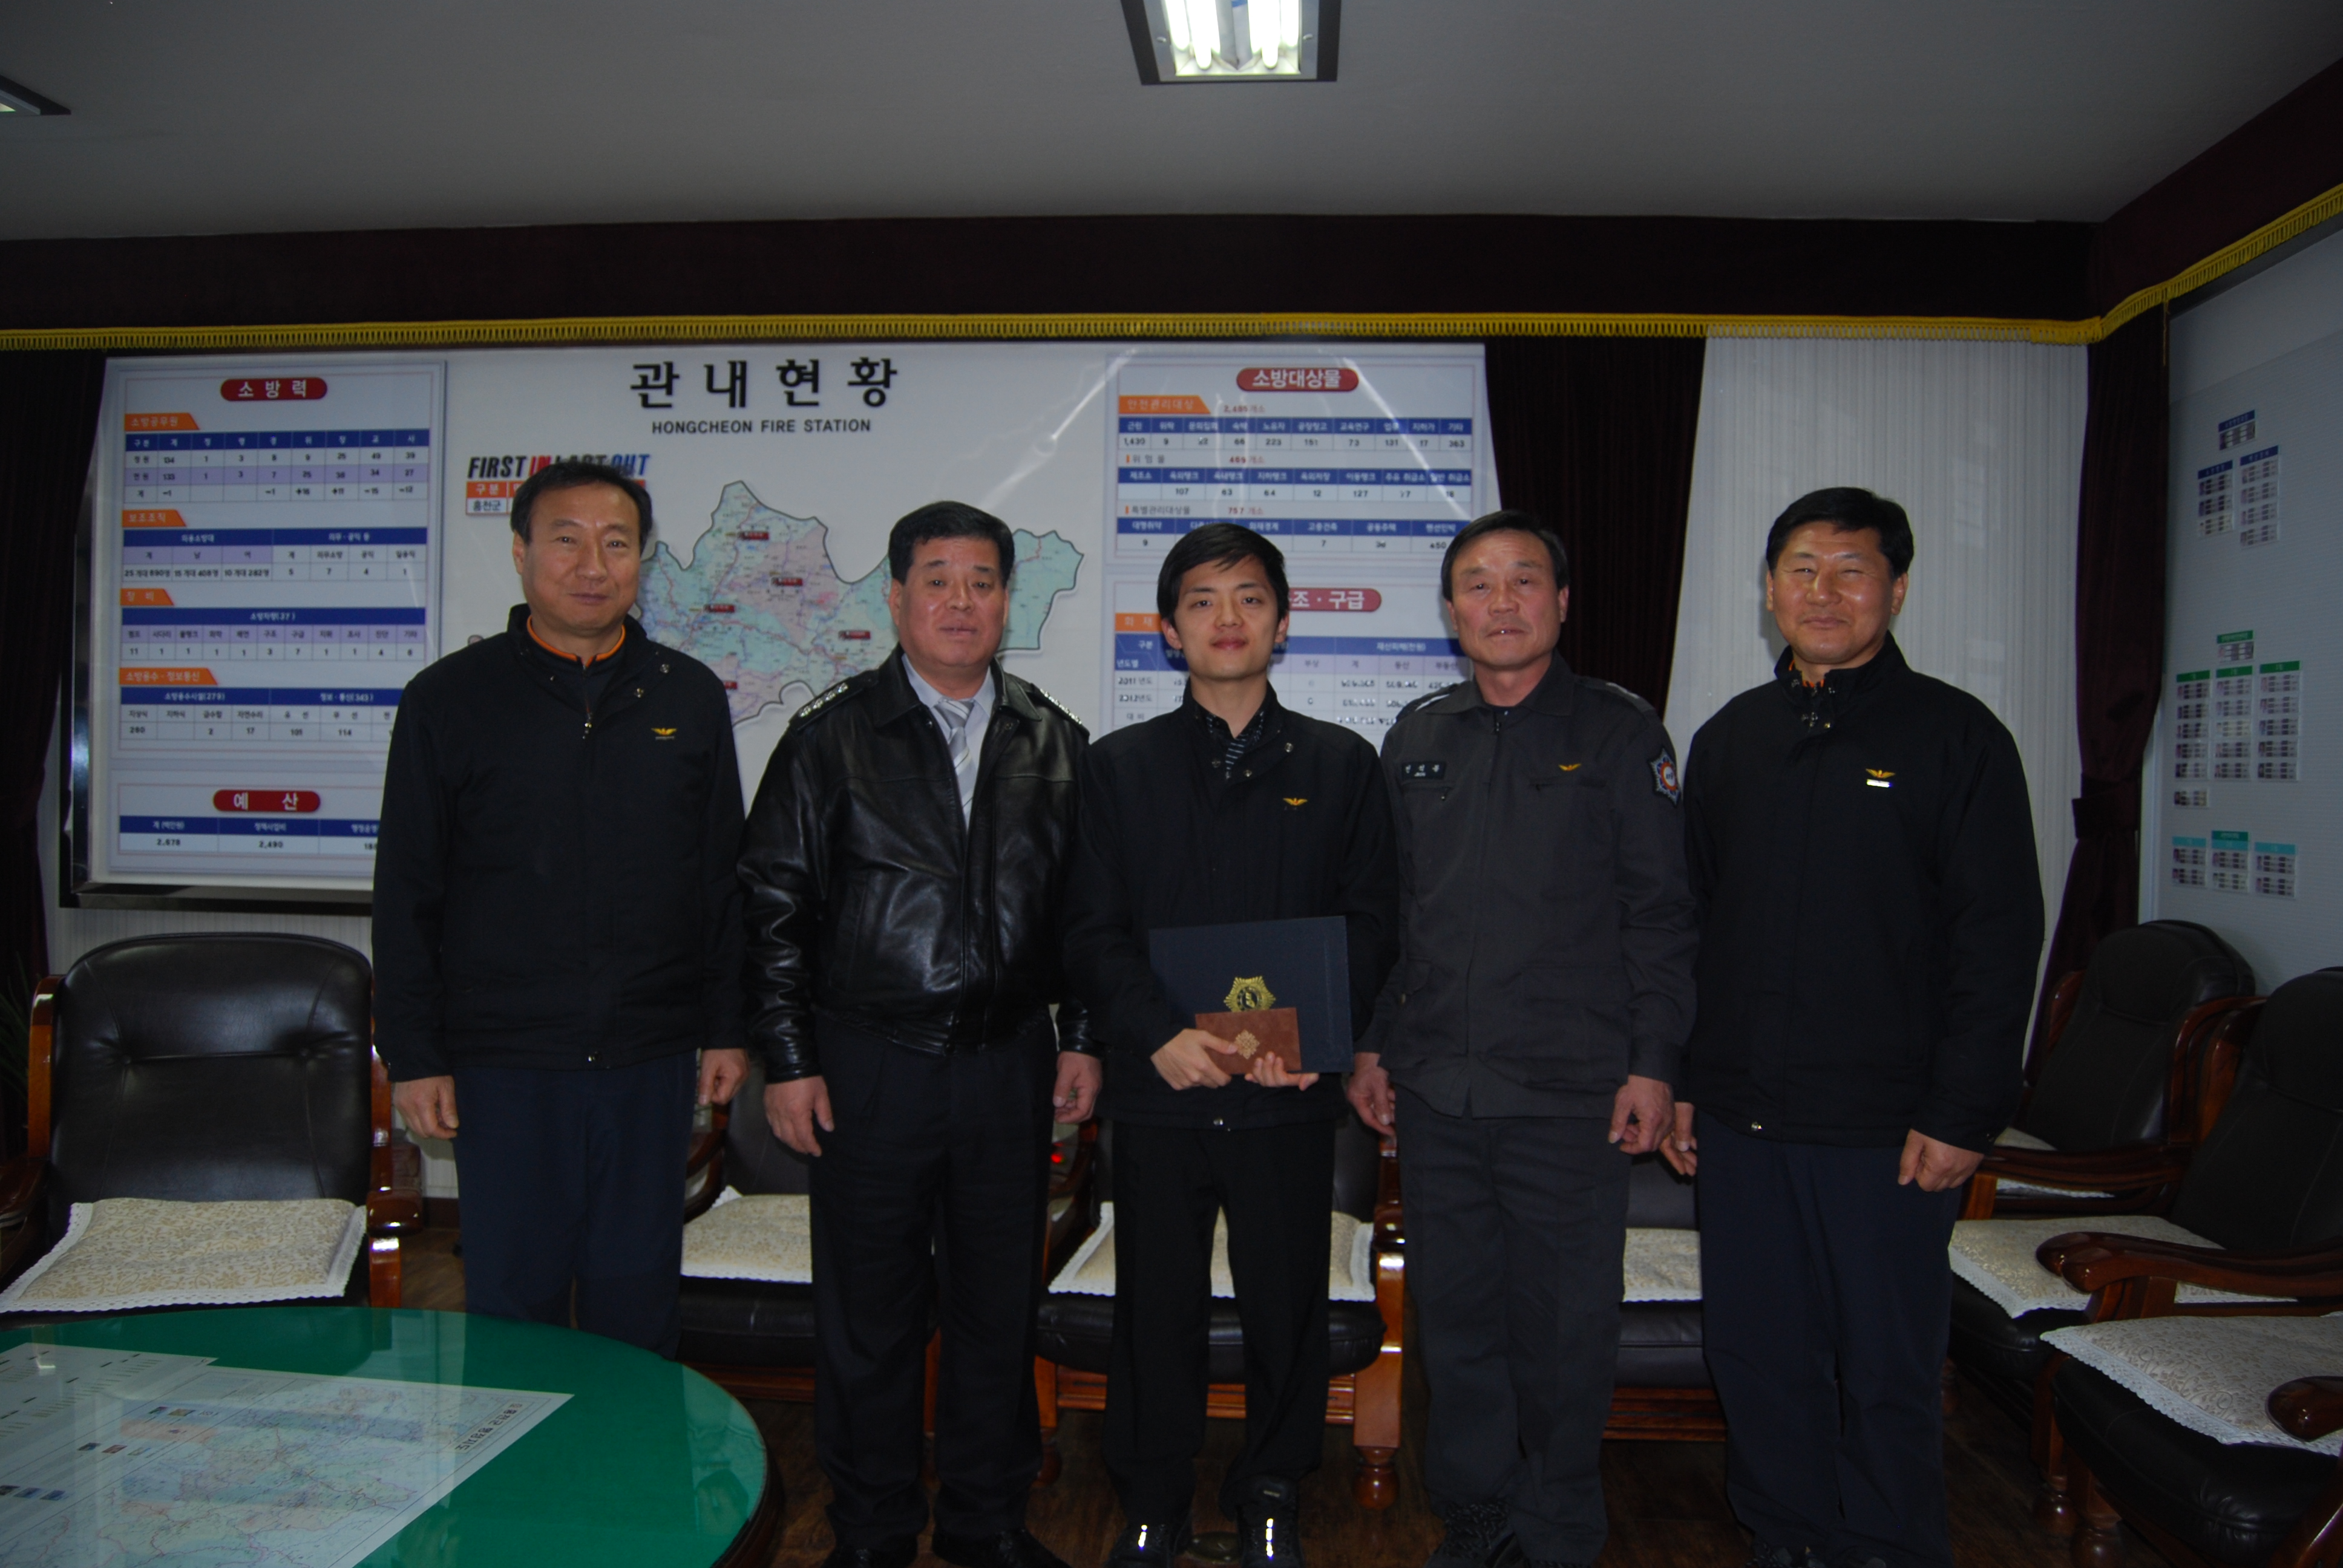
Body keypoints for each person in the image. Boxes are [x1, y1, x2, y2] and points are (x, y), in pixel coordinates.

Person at [1666, 487, 2042, 1568]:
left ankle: (1887, 1549)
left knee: (1885, 1368)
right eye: (1801, 569)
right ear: (1769, 590)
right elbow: (1692, 925)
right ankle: (1786, 1541)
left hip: (1890, 1131)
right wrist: (1687, 1079)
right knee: (1757, 1357)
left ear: (1898, 589)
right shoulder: (1732, 739)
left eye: (1851, 570)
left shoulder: (1957, 738)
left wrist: (1964, 1112)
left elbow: (1998, 940)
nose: (1822, 592)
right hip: (1742, 1117)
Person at [739, 501, 1098, 1568]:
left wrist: (1082, 1035)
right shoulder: (830, 737)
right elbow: (771, 910)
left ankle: (988, 1524)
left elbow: (1090, 916)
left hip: (1007, 1065)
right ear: (895, 598)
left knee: (998, 1309)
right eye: (937, 580)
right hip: (868, 1064)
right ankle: (873, 1529)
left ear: (1006, 602)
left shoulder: (1056, 740)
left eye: (982, 582)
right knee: (871, 1318)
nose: (960, 602)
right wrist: (789, 1062)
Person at [1346, 511, 1697, 1568]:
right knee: (1457, 1327)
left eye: (1524, 580)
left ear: (1562, 601)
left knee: (1562, 1329)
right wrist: (1374, 1045)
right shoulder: (1417, 737)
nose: (1502, 602)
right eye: (1478, 584)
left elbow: (1662, 917)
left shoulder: (1622, 732)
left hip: (1569, 1092)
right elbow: (1398, 916)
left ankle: (1556, 1533)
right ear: (1451, 610)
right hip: (1438, 1091)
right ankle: (1476, 1521)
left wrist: (1656, 1064)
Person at [1062, 521, 1399, 1568]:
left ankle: (1271, 1491)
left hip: (1285, 1090)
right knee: (1154, 1304)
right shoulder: (1117, 768)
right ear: (1168, 630)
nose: (1227, 618)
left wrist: (1319, 1036)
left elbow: (1373, 922)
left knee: (1285, 1303)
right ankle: (1153, 1497)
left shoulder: (1342, 765)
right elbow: (1089, 928)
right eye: (1202, 600)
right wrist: (1157, 1034)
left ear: (1282, 623)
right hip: (1160, 1088)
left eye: (1250, 598)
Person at [373, 459, 748, 1356]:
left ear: (642, 558)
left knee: (638, 1296)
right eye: (566, 540)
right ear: (521, 552)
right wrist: (416, 1056)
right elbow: (408, 888)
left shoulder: (688, 694)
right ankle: (516, 1453)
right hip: (504, 1062)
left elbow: (721, 878)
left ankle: (637, 1453)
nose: (592, 565)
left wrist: (728, 1027)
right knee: (515, 1301)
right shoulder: (448, 700)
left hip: (650, 1056)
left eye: (616, 544)